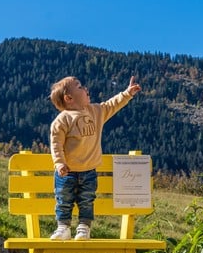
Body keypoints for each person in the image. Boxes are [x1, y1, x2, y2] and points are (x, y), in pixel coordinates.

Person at [48, 75, 142, 240]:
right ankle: (63, 228)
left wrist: (127, 93)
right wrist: (59, 163)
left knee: (87, 201)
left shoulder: (95, 111)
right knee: (63, 200)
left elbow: (112, 105)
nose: (85, 88)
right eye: (79, 87)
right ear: (69, 98)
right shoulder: (62, 120)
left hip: (89, 171)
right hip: (67, 172)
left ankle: (84, 228)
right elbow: (56, 145)